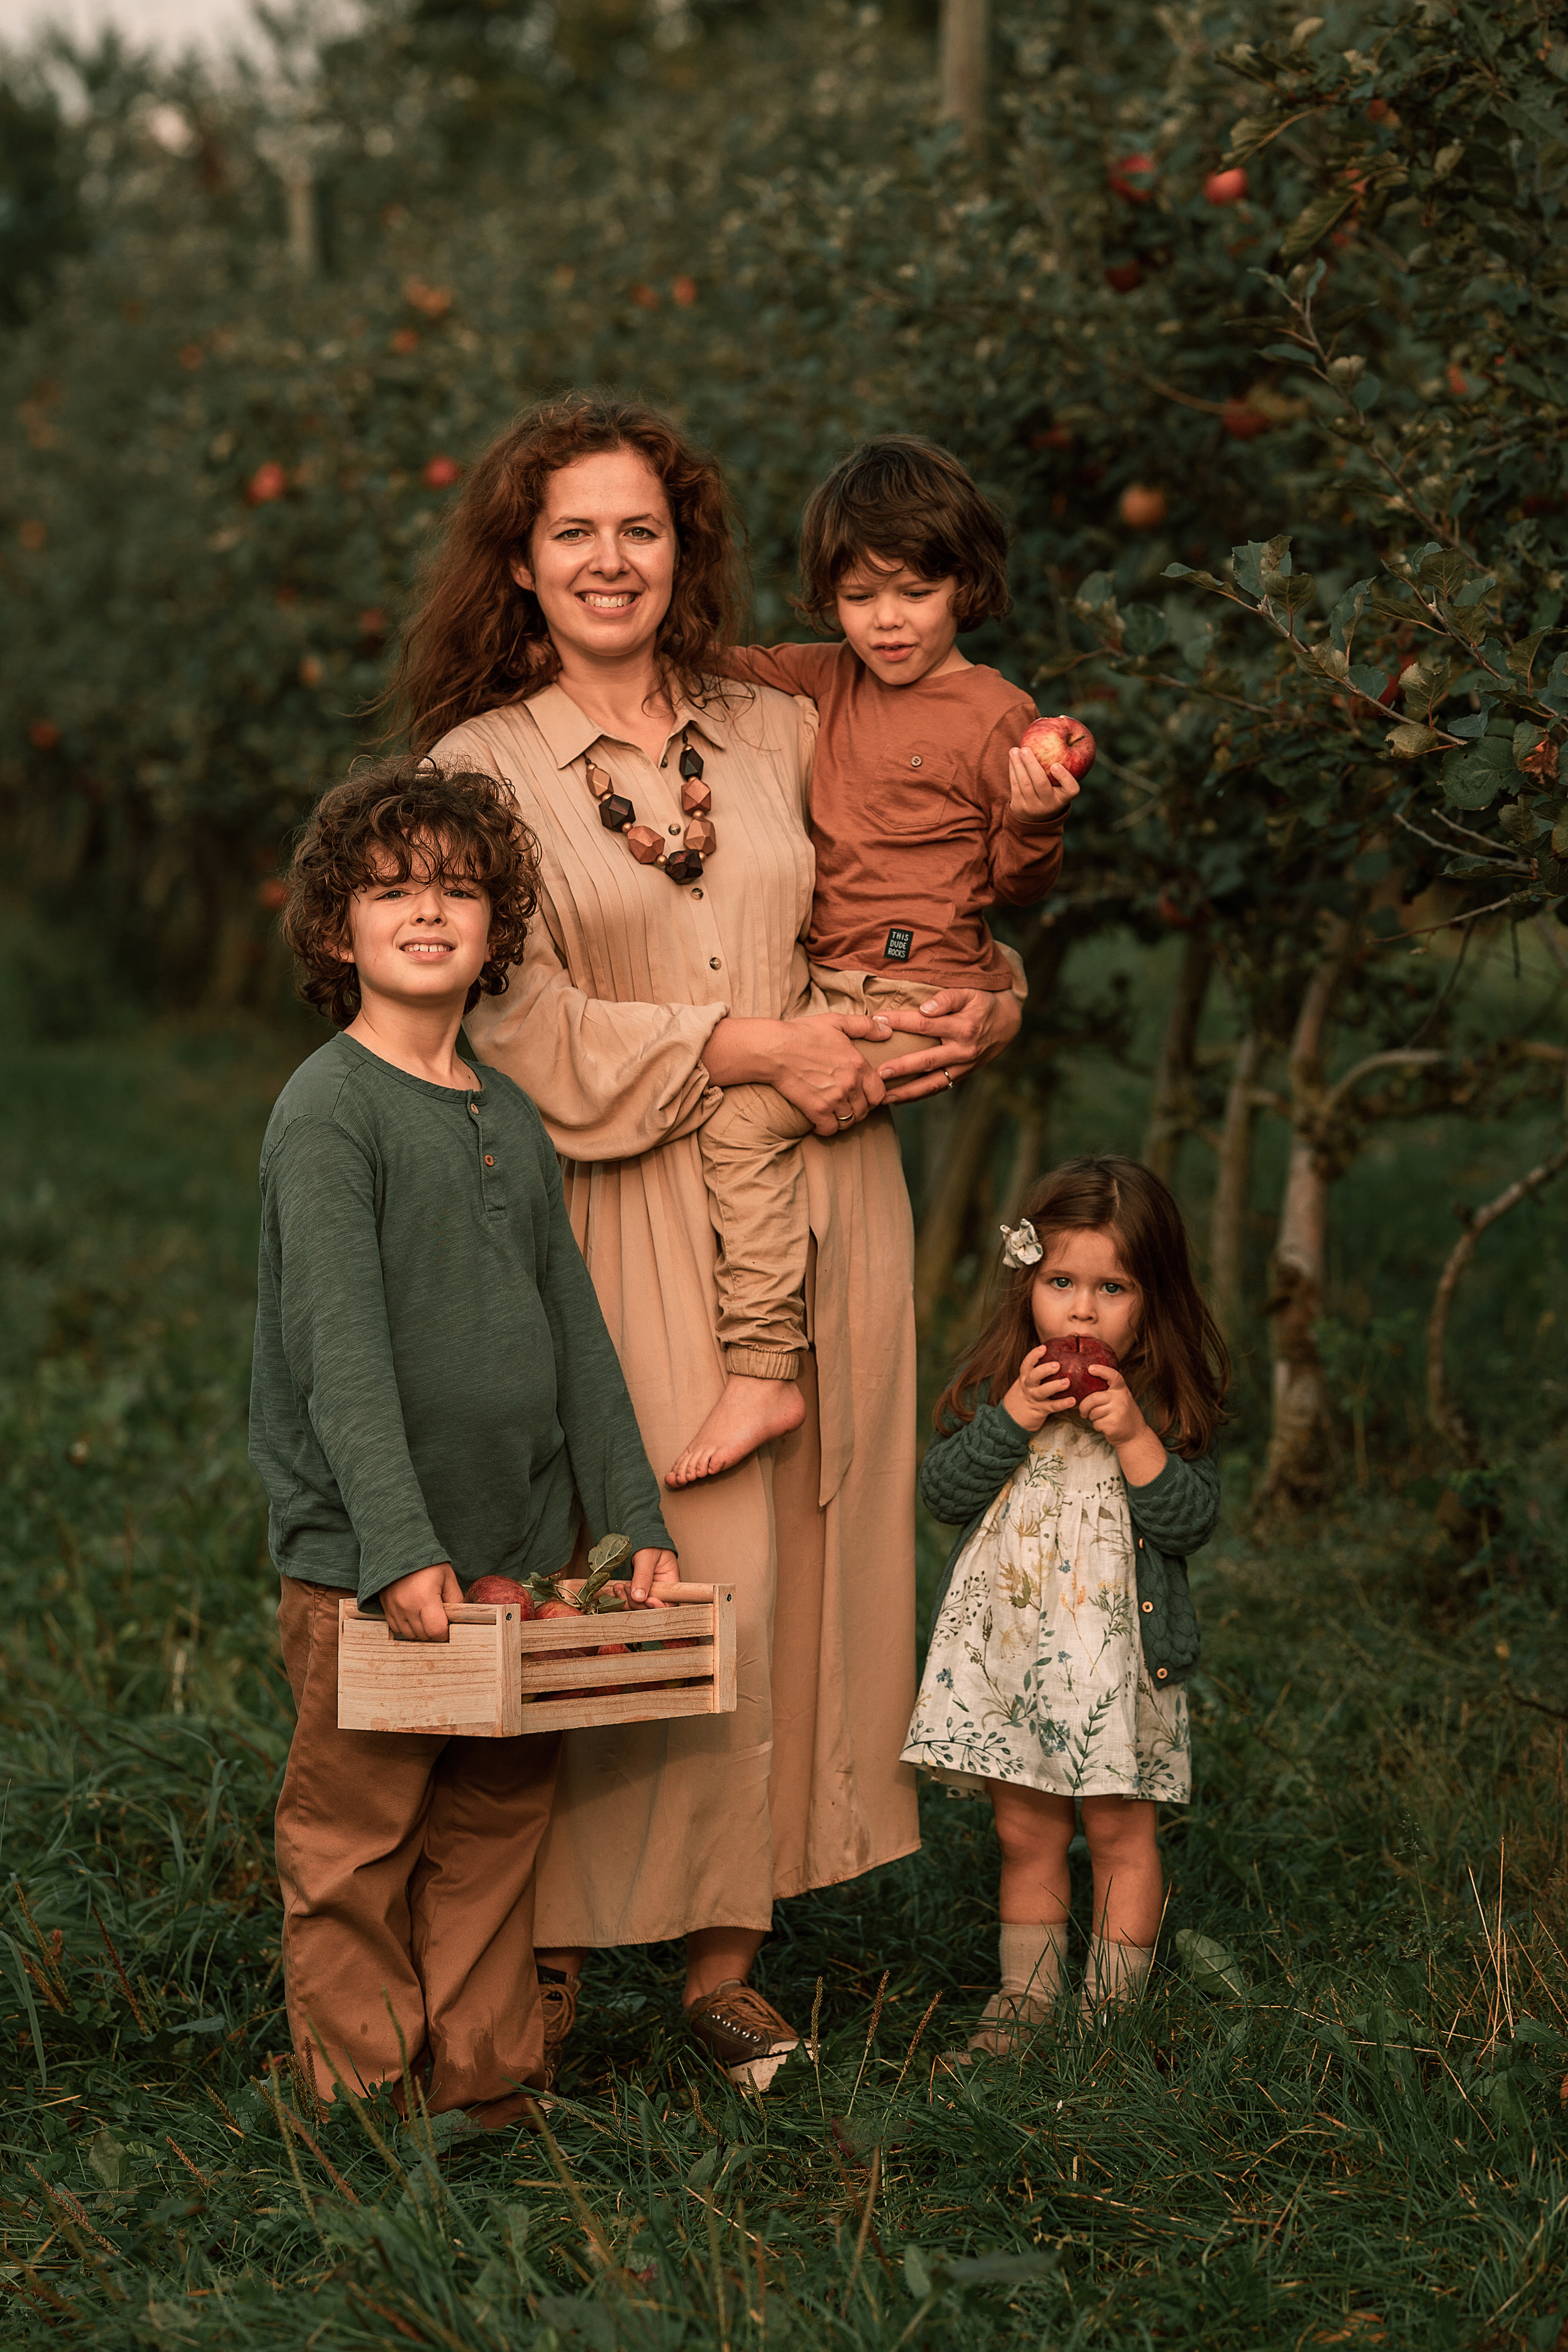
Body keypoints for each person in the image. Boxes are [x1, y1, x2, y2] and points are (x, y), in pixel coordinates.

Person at [396, 394, 1022, 2089]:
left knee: (800, 1579)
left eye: (643, 529)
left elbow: (911, 878)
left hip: (831, 1186)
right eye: (575, 532)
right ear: (521, 567)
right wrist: (750, 1045)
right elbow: (512, 1012)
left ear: (686, 555)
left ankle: (727, 1960)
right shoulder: (485, 770)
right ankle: (557, 1938)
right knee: (657, 1570)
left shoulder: (772, 722)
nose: (613, 559)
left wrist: (969, 1007)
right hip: (624, 1200)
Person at [251, 757, 676, 2122]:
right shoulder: (332, 1113)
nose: (425, 913)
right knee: (358, 1838)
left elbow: (580, 1346)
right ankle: (362, 2100)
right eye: (389, 891)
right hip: (379, 1563)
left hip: (517, 1557)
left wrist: (631, 1533)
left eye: (456, 889)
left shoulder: (510, 1117)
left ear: (497, 927)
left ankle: (485, 2088)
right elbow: (341, 1357)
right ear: (336, 930)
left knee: (495, 1826)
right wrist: (396, 1548)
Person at [663, 435, 1083, 1488]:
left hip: (910, 992)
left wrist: (1034, 819)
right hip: (830, 982)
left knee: (742, 1126)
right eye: (859, 596)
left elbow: (1020, 886)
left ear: (966, 585)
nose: (888, 621)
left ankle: (764, 1365)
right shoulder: (827, 682)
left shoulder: (997, 717)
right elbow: (724, 670)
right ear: (828, 602)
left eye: (916, 589)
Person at [902, 1156, 1227, 2058]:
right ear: (1029, 1286)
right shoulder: (1006, 1386)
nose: (1082, 1311)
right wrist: (1009, 1417)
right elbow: (943, 1492)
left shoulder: (1163, 1404)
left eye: (1112, 1287)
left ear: (1152, 1299)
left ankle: (1111, 2011)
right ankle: (1023, 2000)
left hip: (1117, 1663)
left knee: (1121, 1827)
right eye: (1061, 1283)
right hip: (1012, 1656)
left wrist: (1133, 1435)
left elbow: (1191, 1520)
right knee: (1023, 1828)